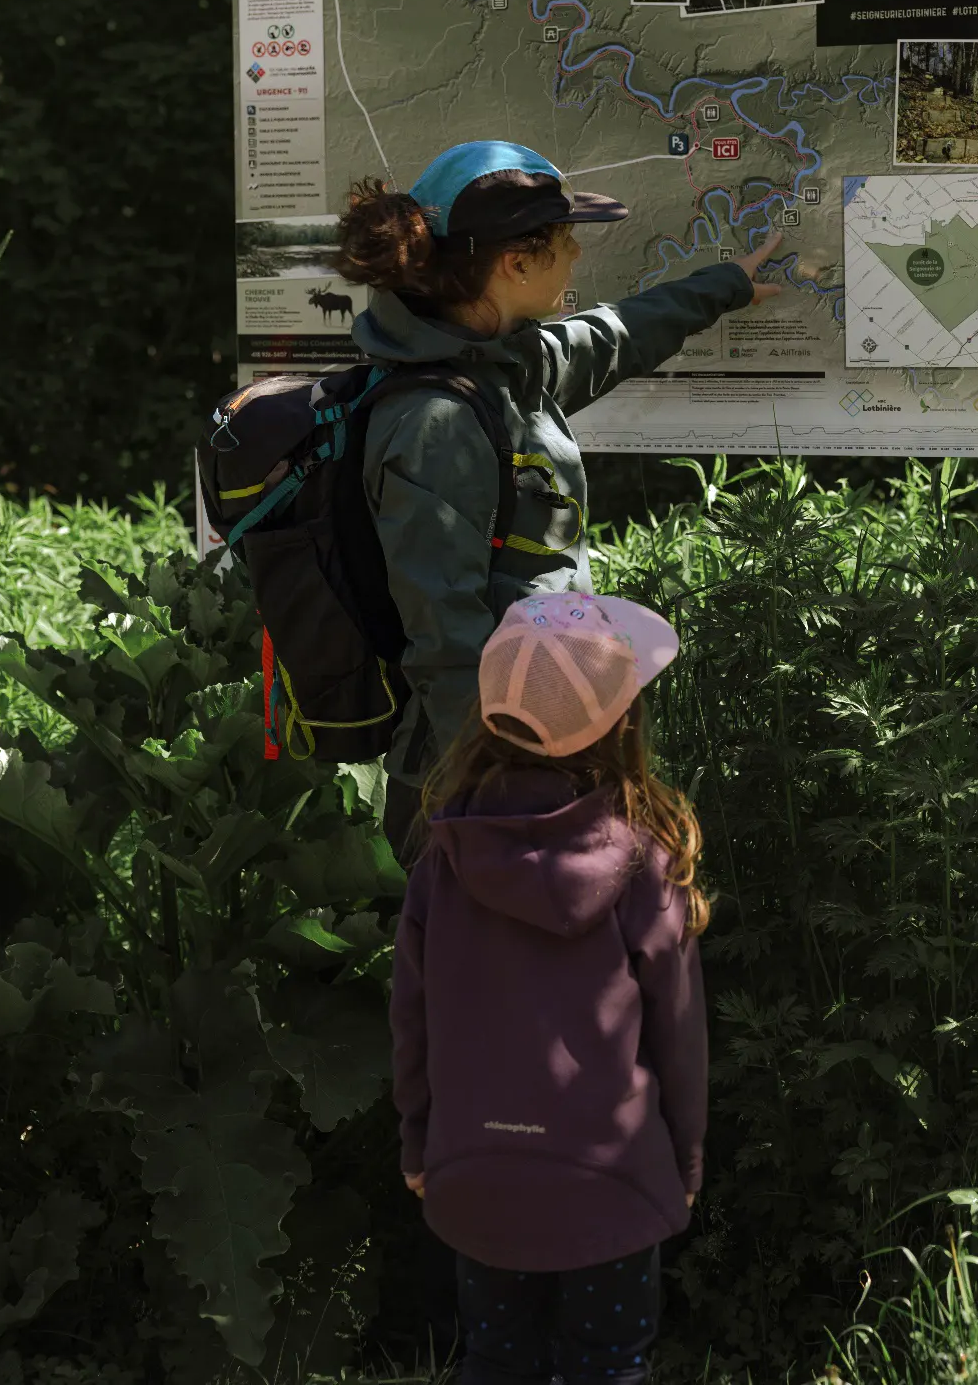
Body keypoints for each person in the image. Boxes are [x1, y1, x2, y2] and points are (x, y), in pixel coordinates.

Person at [333, 138, 780, 845]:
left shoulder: (501, 364)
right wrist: (501, 800)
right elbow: (444, 638)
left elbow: (609, 338)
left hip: (541, 741)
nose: (577, 256)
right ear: (515, 263)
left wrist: (726, 285)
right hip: (480, 783)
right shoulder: (436, 422)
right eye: (566, 240)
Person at [390, 590, 707, 1385]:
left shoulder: (443, 859)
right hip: (612, 1181)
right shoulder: (645, 861)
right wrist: (687, 1159)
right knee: (606, 1365)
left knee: (497, 1361)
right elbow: (678, 1032)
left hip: (475, 1172)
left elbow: (411, 1020)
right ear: (623, 721)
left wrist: (417, 1139)